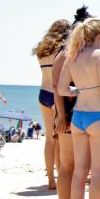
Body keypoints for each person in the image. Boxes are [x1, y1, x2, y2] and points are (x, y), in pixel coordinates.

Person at [59, 17, 100, 199]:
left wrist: (78, 91)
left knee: (79, 172)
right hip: (99, 116)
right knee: (98, 172)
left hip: (79, 117)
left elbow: (62, 88)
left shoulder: (72, 56)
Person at [52, 5, 93, 199]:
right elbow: (56, 86)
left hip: (82, 111)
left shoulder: (80, 52)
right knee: (68, 165)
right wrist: (60, 115)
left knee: (80, 165)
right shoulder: (65, 53)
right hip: (68, 113)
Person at [33, 19, 71, 189]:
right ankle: (61, 173)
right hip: (56, 94)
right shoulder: (62, 49)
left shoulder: (41, 49)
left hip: (43, 92)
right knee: (61, 138)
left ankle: (51, 179)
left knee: (50, 138)